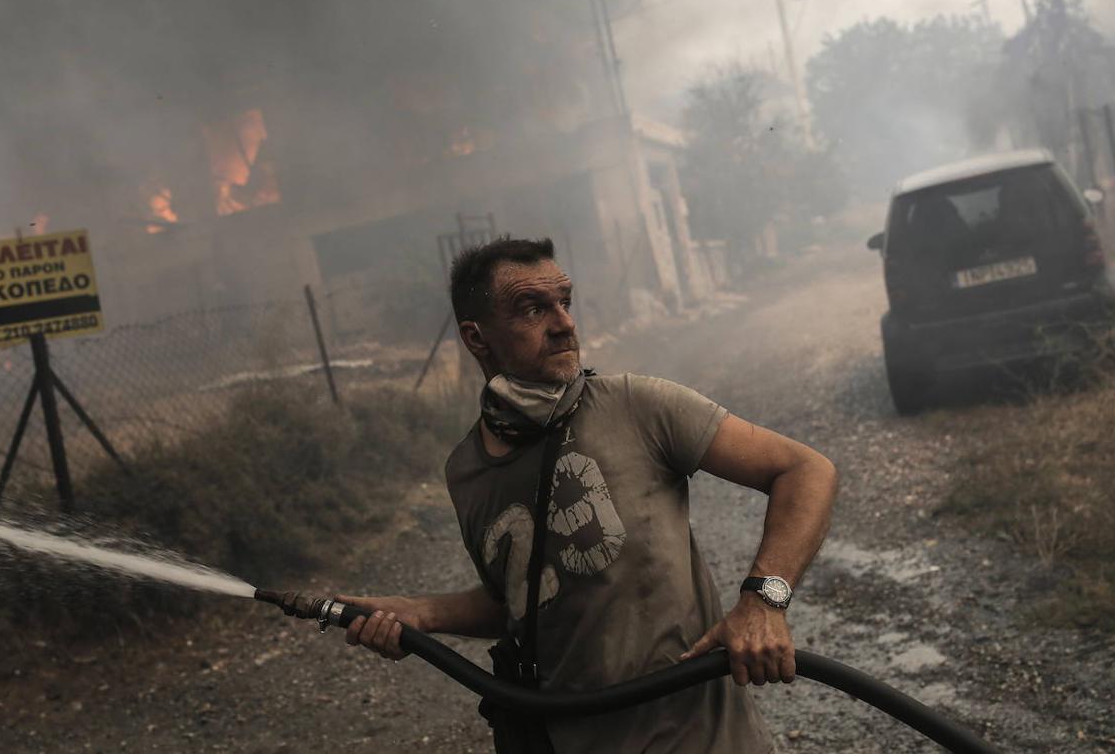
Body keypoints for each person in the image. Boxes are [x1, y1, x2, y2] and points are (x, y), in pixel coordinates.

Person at [336, 237, 838, 753]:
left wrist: (763, 601)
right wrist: (421, 615)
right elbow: (527, 599)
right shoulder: (466, 471)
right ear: (476, 338)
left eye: (565, 303)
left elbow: (805, 470)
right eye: (533, 308)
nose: (564, 324)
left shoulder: (637, 406)